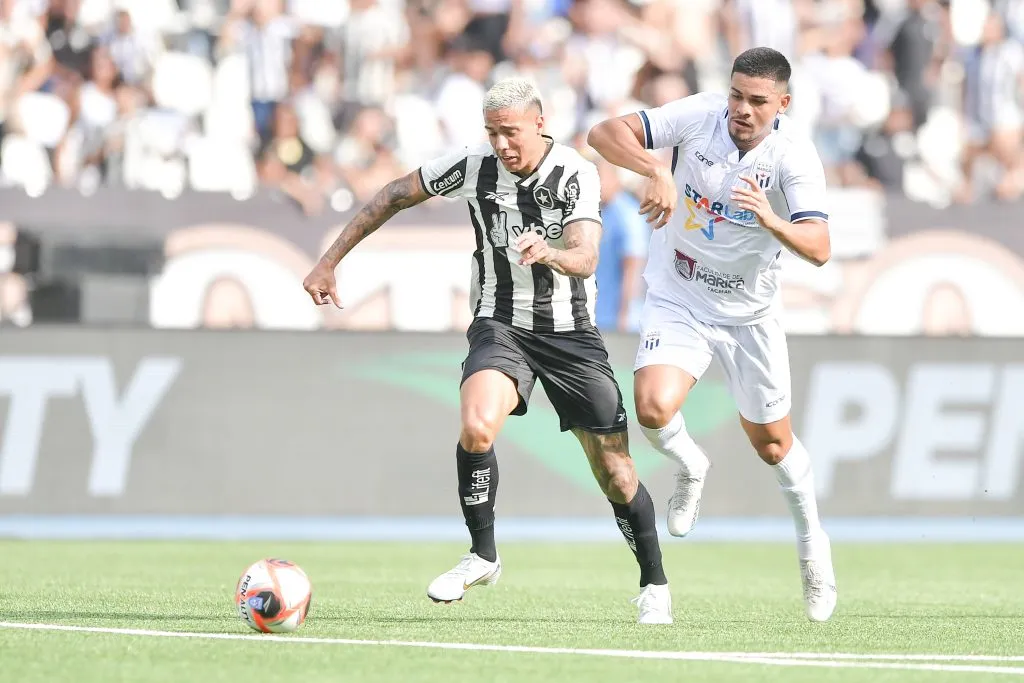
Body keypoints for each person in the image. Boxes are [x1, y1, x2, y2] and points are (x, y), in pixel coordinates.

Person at [302, 77, 673, 624]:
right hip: (499, 324)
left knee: (616, 472)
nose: (502, 144)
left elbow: (587, 257)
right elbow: (394, 195)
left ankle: (654, 583)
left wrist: (547, 251)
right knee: (477, 427)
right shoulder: (474, 164)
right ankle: (482, 554)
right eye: (493, 132)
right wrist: (330, 260)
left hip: (570, 334)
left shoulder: (576, 173)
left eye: (512, 132)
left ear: (540, 124)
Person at [587, 47, 838, 622]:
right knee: (651, 407)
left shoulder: (794, 157)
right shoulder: (699, 116)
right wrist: (654, 167)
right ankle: (690, 466)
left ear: (783, 104)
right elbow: (603, 132)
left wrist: (773, 220)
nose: (742, 109)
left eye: (757, 100)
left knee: (773, 446)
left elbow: (821, 249)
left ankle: (813, 550)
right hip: (680, 293)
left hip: (749, 314)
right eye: (736, 95)